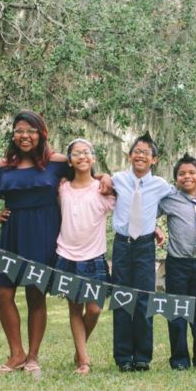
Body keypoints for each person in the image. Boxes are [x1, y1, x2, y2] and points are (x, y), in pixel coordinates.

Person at [0, 111, 69, 376]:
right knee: (1, 293)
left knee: (35, 294)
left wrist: (104, 179)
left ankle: (33, 357)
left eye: (31, 130)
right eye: (19, 130)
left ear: (41, 133)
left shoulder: (57, 162)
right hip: (13, 232)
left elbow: (86, 174)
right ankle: (16, 353)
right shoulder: (4, 165)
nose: (24, 136)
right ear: (13, 134)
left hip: (44, 231)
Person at [110, 133, 176, 372]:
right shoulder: (117, 179)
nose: (140, 155)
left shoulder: (161, 185)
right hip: (121, 244)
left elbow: (180, 198)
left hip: (145, 246)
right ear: (129, 155)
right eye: (137, 151)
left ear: (154, 160)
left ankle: (142, 357)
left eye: (146, 153)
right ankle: (123, 356)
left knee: (144, 300)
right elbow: (98, 184)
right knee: (122, 298)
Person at [54, 138, 116, 375]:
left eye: (86, 152)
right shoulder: (61, 188)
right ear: (69, 160)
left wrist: (106, 177)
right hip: (66, 256)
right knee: (74, 309)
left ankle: (80, 350)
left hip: (95, 258)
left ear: (93, 158)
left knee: (94, 310)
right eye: (76, 153)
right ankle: (84, 359)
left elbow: (130, 208)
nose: (82, 156)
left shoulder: (104, 191)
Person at [157, 154, 196, 370]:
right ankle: (180, 359)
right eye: (182, 173)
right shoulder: (169, 199)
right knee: (178, 312)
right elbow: (148, 213)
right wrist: (154, 227)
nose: (187, 176)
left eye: (192, 173)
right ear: (175, 179)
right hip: (178, 264)